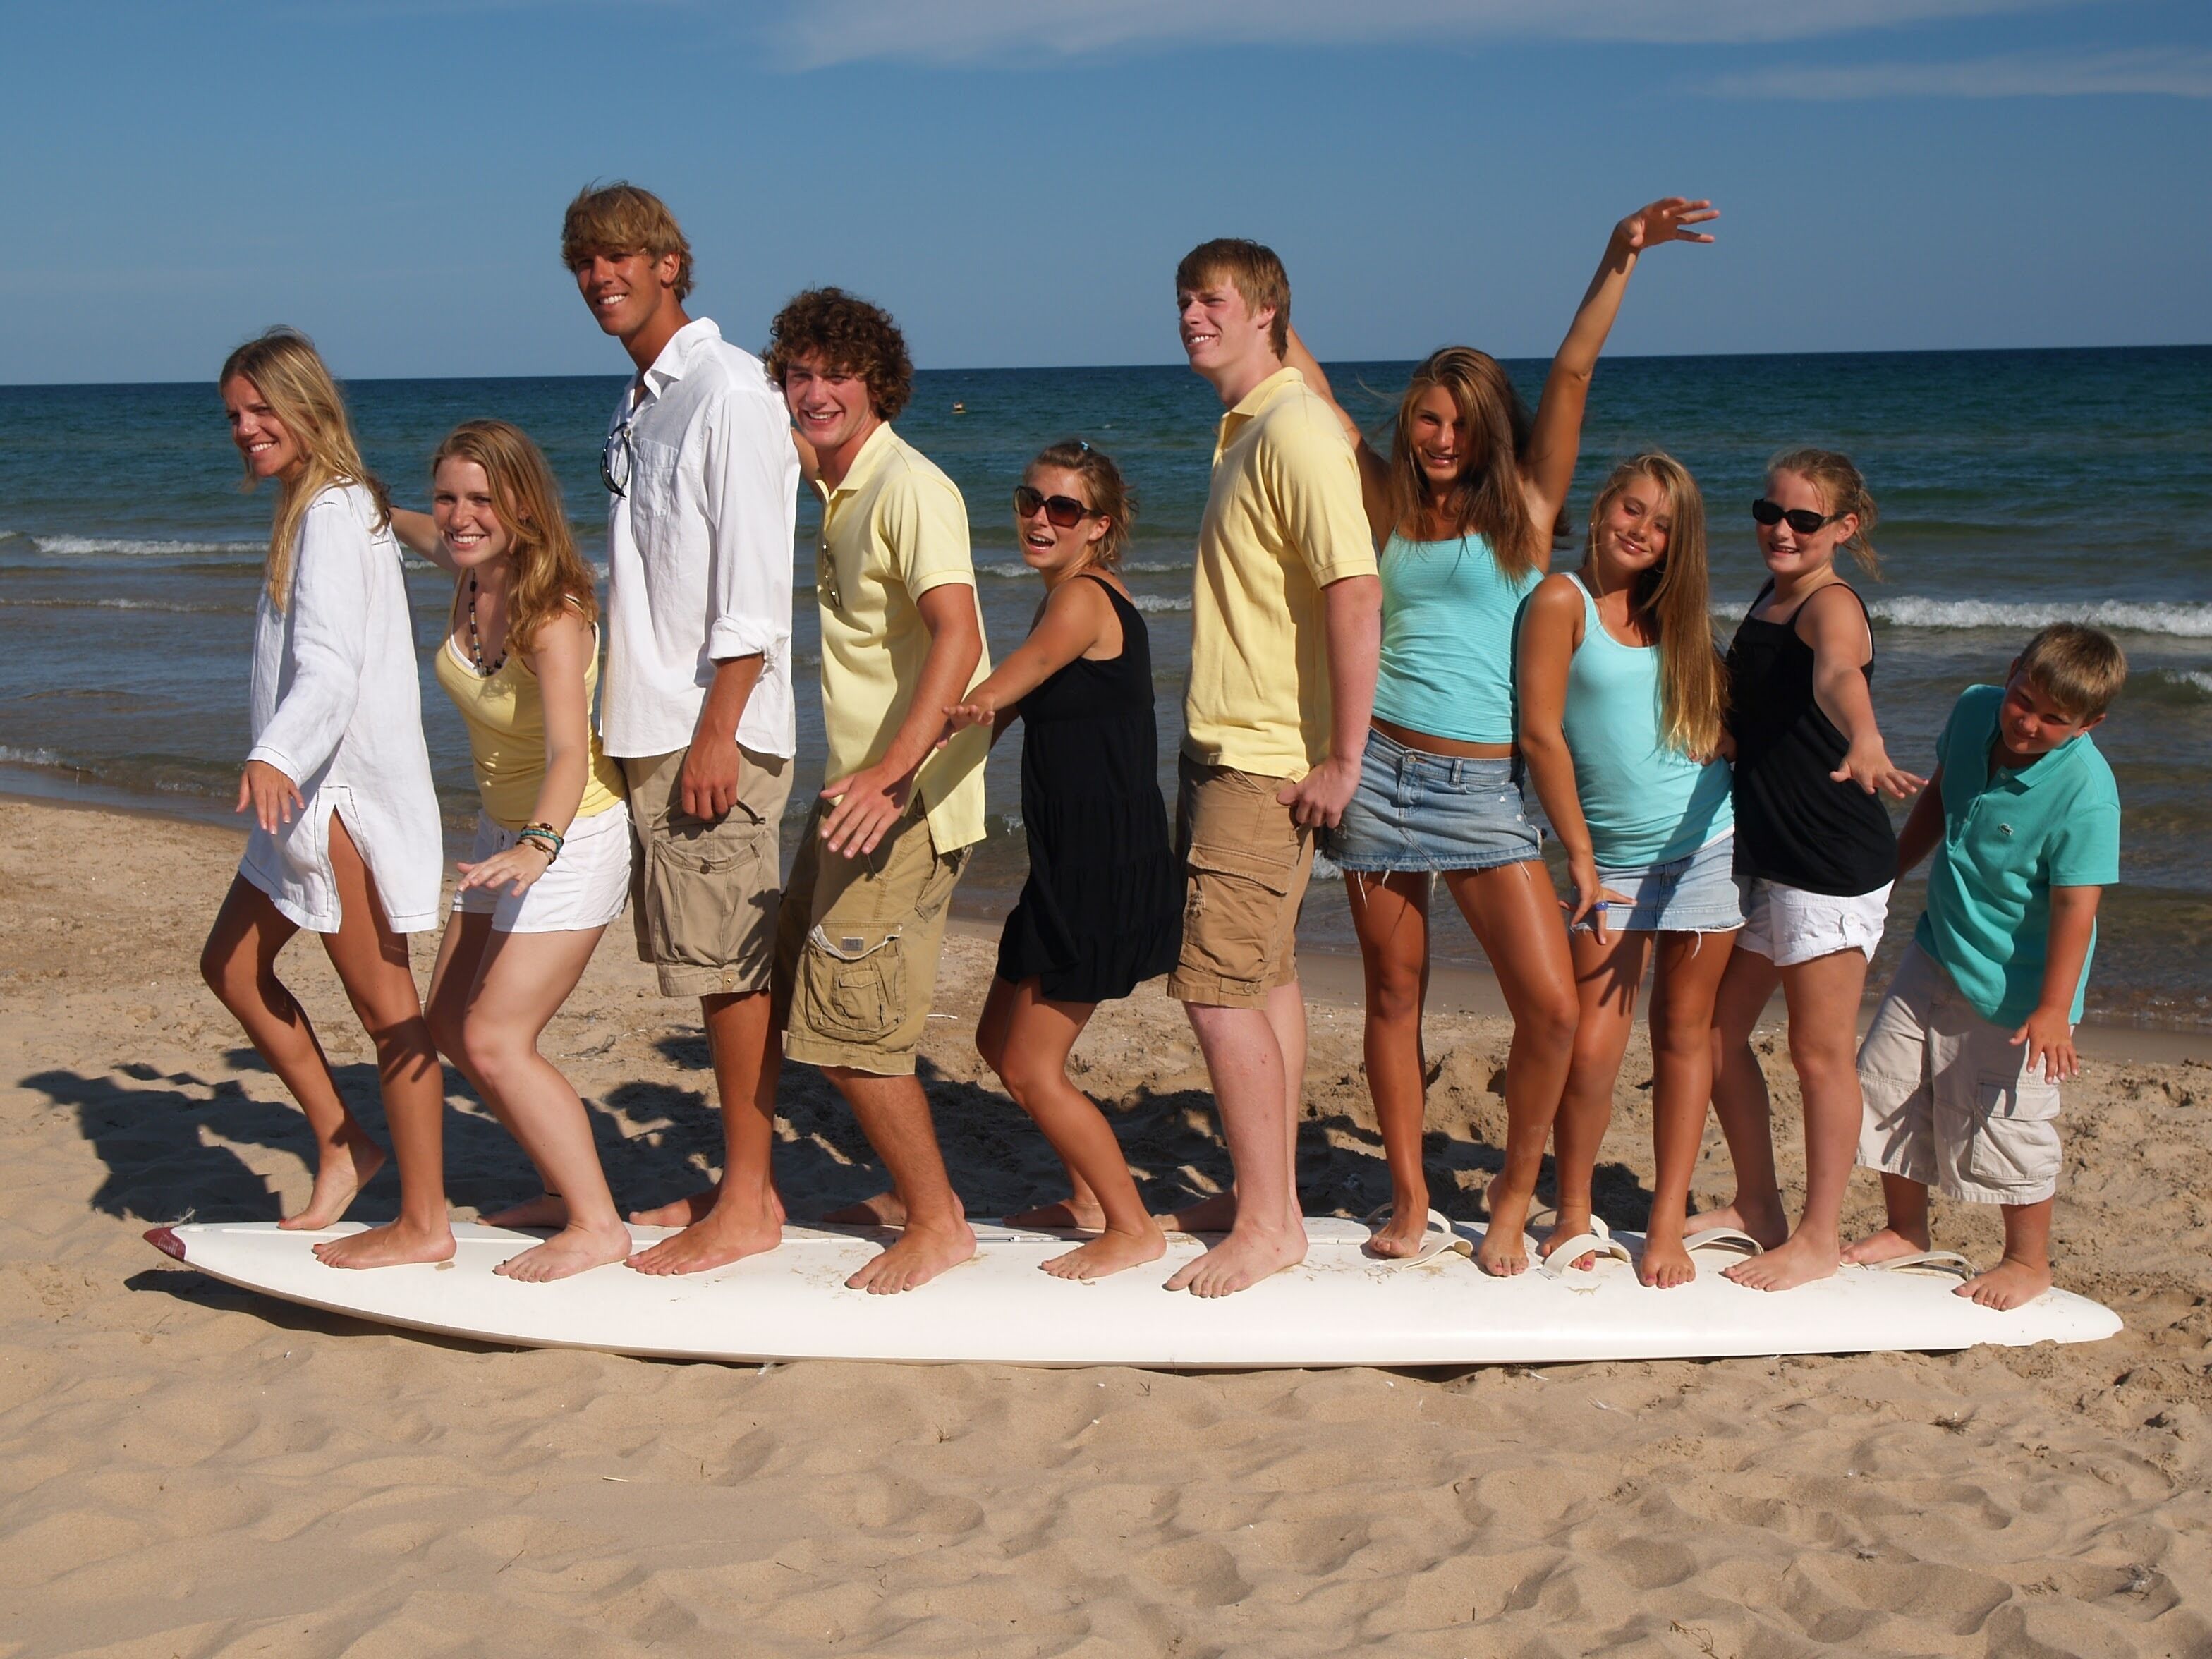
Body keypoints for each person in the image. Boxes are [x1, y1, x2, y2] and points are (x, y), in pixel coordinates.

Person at [1287, 198, 1718, 1273]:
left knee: (1552, 1013)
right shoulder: (1383, 500)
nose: (1440, 439)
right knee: (1393, 996)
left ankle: (1516, 1198)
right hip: (1380, 771)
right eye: (1428, 420)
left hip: (1484, 792)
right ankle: (1409, 1196)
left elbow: (1570, 373)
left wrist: (1619, 256)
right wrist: (1251, 307)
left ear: (1489, 430)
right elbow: (1316, 391)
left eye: (1460, 423)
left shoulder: (1527, 510)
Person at [557, 183, 803, 1277]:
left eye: (620, 256)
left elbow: (754, 582)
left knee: (734, 970)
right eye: (584, 262)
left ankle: (750, 1203)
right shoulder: (643, 401)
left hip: (716, 731)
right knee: (709, 972)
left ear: (669, 260)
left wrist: (719, 729)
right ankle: (739, 1181)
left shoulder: (729, 390)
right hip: (650, 723)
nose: (601, 276)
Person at [198, 328, 446, 1268]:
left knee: (391, 1016)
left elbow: (332, 670)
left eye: (263, 410)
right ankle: (348, 1143)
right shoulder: (317, 504)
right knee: (231, 967)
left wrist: (274, 753)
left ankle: (423, 1222)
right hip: (297, 804)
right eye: (234, 415)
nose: (246, 429)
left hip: (337, 798)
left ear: (309, 408)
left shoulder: (338, 511)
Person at [1162, 238, 1382, 1298]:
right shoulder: (1252, 424)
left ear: (1265, 315)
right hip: (1230, 749)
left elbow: (1353, 588)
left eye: (1213, 302)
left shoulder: (1293, 430)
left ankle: (1267, 1224)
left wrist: (1347, 754)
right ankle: (1273, 1197)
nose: (1192, 317)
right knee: (1268, 978)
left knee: (1215, 992)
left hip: (1262, 763)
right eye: (1185, 302)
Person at [766, 286, 994, 1294]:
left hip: (904, 801)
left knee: (854, 1028)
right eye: (799, 374)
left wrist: (893, 777)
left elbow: (962, 633)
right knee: (798, 999)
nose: (816, 391)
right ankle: (769, 1196)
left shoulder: (909, 487)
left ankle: (939, 1223)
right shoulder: (835, 486)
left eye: (835, 373)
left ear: (878, 382)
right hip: (854, 791)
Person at [391, 422, 636, 1280]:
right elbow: (394, 521)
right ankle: (558, 1184)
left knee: (496, 1038)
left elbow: (571, 749)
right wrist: (331, 488)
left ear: (522, 506)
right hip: (502, 834)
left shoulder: (553, 611)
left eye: (482, 501)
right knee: (448, 1024)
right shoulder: (465, 567)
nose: (459, 517)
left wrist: (539, 844)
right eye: (449, 497)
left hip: (571, 833)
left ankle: (600, 1226)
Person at [945, 442, 1181, 1280]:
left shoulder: (1081, 600)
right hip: (1068, 862)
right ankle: (1086, 1200)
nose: (1040, 519)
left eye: (1064, 509)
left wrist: (940, 719)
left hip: (1100, 868)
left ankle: (1132, 1225)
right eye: (1029, 501)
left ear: (1100, 528)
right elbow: (1014, 708)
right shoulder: (1072, 600)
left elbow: (1005, 688)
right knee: (993, 1038)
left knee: (1028, 1063)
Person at [1694, 451, 1925, 1291]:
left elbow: (1836, 674)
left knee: (1818, 1054)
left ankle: (1819, 1236)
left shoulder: (1832, 605)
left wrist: (1864, 736)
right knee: (1715, 1032)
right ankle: (1757, 1205)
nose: (1781, 530)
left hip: (1826, 863)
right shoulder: (1770, 592)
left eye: (1803, 520)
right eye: (1770, 511)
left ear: (1843, 528)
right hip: (1764, 855)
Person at [1845, 626, 2125, 1309]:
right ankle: (1906, 1230)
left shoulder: (2087, 794)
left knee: (2007, 1122)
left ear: (2089, 725)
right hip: (1939, 941)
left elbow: (2074, 909)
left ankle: (2028, 1262)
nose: (2027, 723)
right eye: (2022, 699)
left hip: (2019, 987)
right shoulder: (1975, 708)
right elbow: (1942, 797)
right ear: (2010, 674)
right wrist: (1887, 875)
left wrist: (2055, 1008)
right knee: (1886, 1080)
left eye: (2052, 719)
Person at [1517, 453, 1737, 1287]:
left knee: (1685, 1039)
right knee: (1592, 1048)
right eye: (1632, 510)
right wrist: (1575, 854)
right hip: (1605, 861)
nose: (1641, 531)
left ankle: (1667, 1223)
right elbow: (1541, 735)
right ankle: (1572, 1211)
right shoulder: (1559, 601)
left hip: (1707, 846)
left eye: (1662, 525)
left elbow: (1706, 716)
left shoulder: (1674, 614)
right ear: (1603, 504)